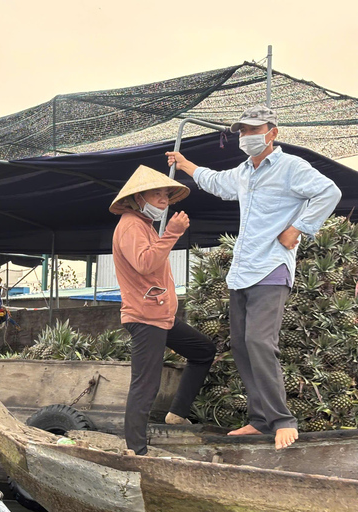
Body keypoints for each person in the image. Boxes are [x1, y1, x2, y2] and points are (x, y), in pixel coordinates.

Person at [166, 105, 342, 450]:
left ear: (272, 132)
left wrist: (298, 229)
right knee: (243, 347)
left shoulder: (291, 167)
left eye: (253, 130)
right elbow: (217, 183)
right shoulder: (245, 172)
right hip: (242, 272)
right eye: (242, 131)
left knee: (260, 342)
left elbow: (329, 192)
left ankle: (282, 419)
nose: (246, 136)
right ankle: (260, 420)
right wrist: (186, 166)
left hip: (272, 268)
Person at [110, 164, 216, 456]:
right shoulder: (131, 225)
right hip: (145, 318)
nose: (163, 200)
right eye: (155, 194)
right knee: (145, 386)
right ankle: (136, 450)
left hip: (160, 317)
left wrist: (164, 234)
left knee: (203, 350)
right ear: (137, 198)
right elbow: (145, 263)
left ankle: (177, 413)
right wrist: (172, 233)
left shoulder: (144, 225)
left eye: (166, 194)